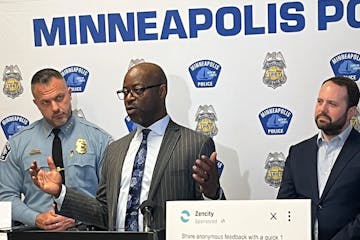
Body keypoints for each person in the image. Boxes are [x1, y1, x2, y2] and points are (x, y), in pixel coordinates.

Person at [30, 62, 225, 231]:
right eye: (125, 92)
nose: (129, 98)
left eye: (138, 90)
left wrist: (212, 194)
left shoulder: (194, 144)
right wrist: (60, 192)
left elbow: (211, 219)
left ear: (162, 91)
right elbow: (104, 213)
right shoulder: (116, 150)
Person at [0, 68, 112, 230]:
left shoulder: (99, 140)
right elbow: (5, 196)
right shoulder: (18, 143)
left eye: (60, 98)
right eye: (45, 102)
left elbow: (110, 199)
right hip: (35, 233)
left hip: (86, 233)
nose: (55, 108)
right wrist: (35, 218)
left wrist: (79, 218)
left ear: (70, 93)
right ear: (36, 103)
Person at [277, 76, 360, 240]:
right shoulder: (298, 153)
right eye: (320, 101)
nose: (323, 109)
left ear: (351, 112)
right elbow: (284, 206)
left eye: (332, 104)